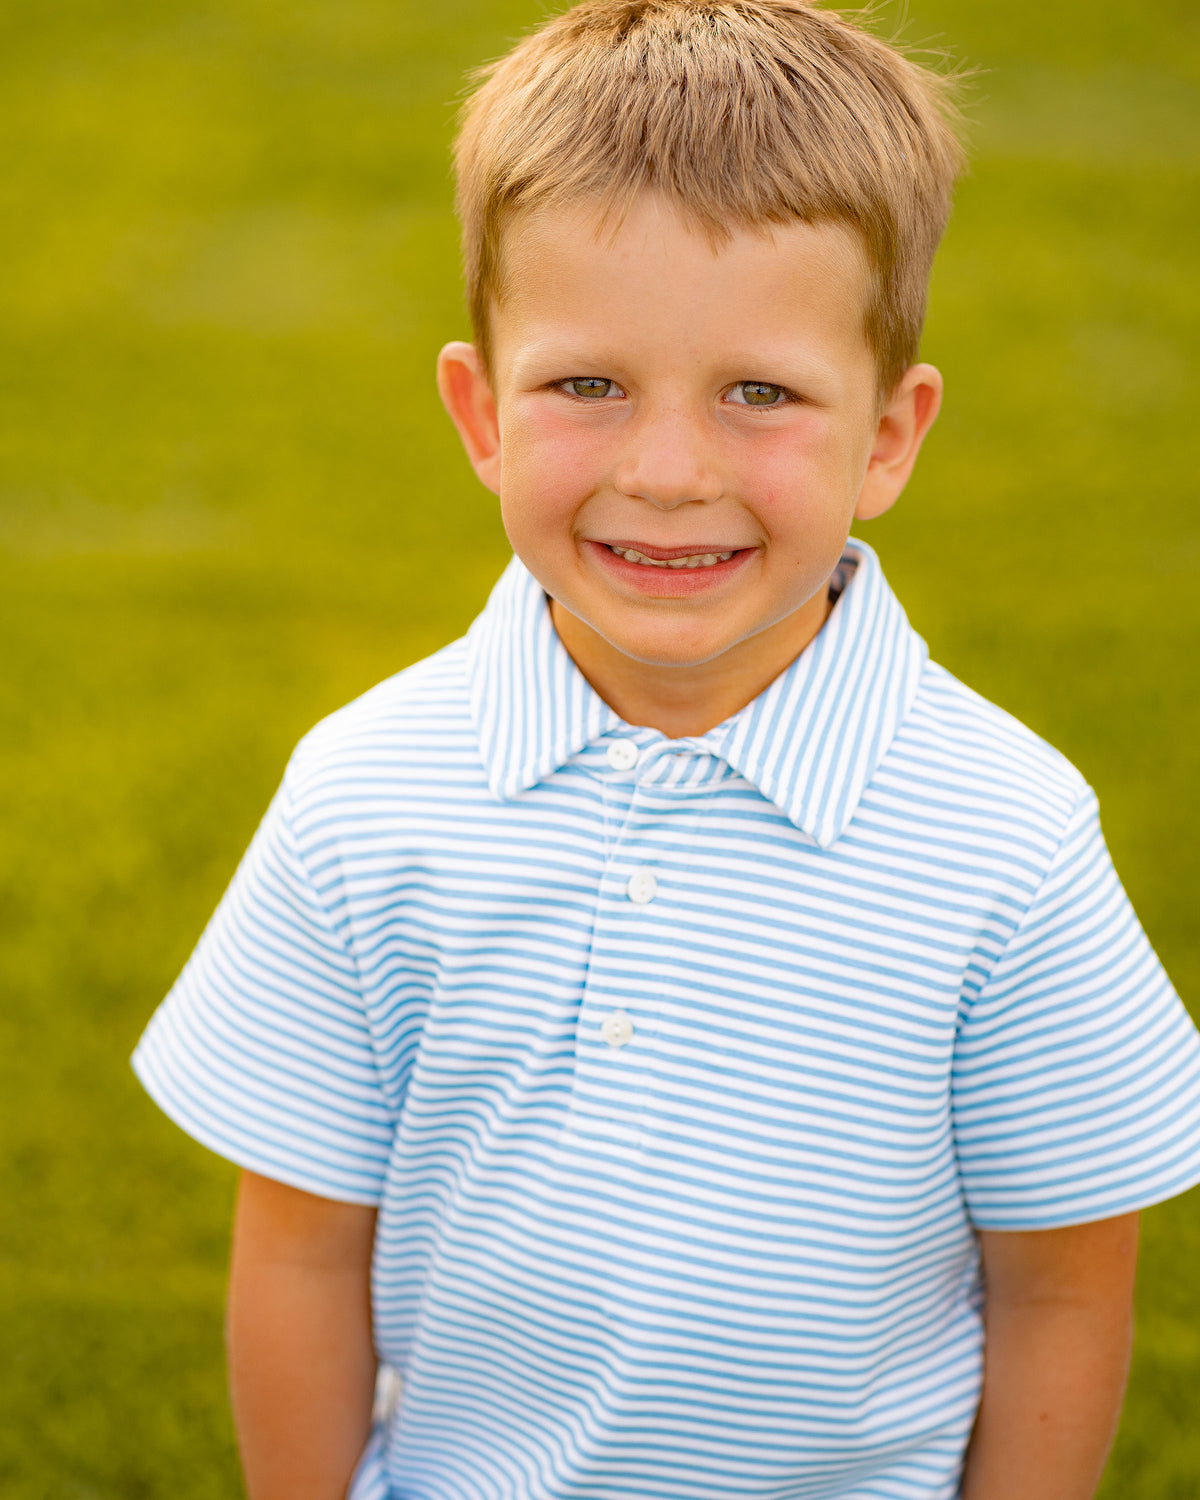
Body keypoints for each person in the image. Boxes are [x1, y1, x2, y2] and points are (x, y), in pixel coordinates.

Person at [132, 3, 1200, 1497]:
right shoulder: (365, 797)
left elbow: (1065, 1290)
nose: (669, 471)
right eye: (588, 385)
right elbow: (304, 1246)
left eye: (760, 393)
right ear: (478, 412)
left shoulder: (1007, 837)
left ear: (889, 435)